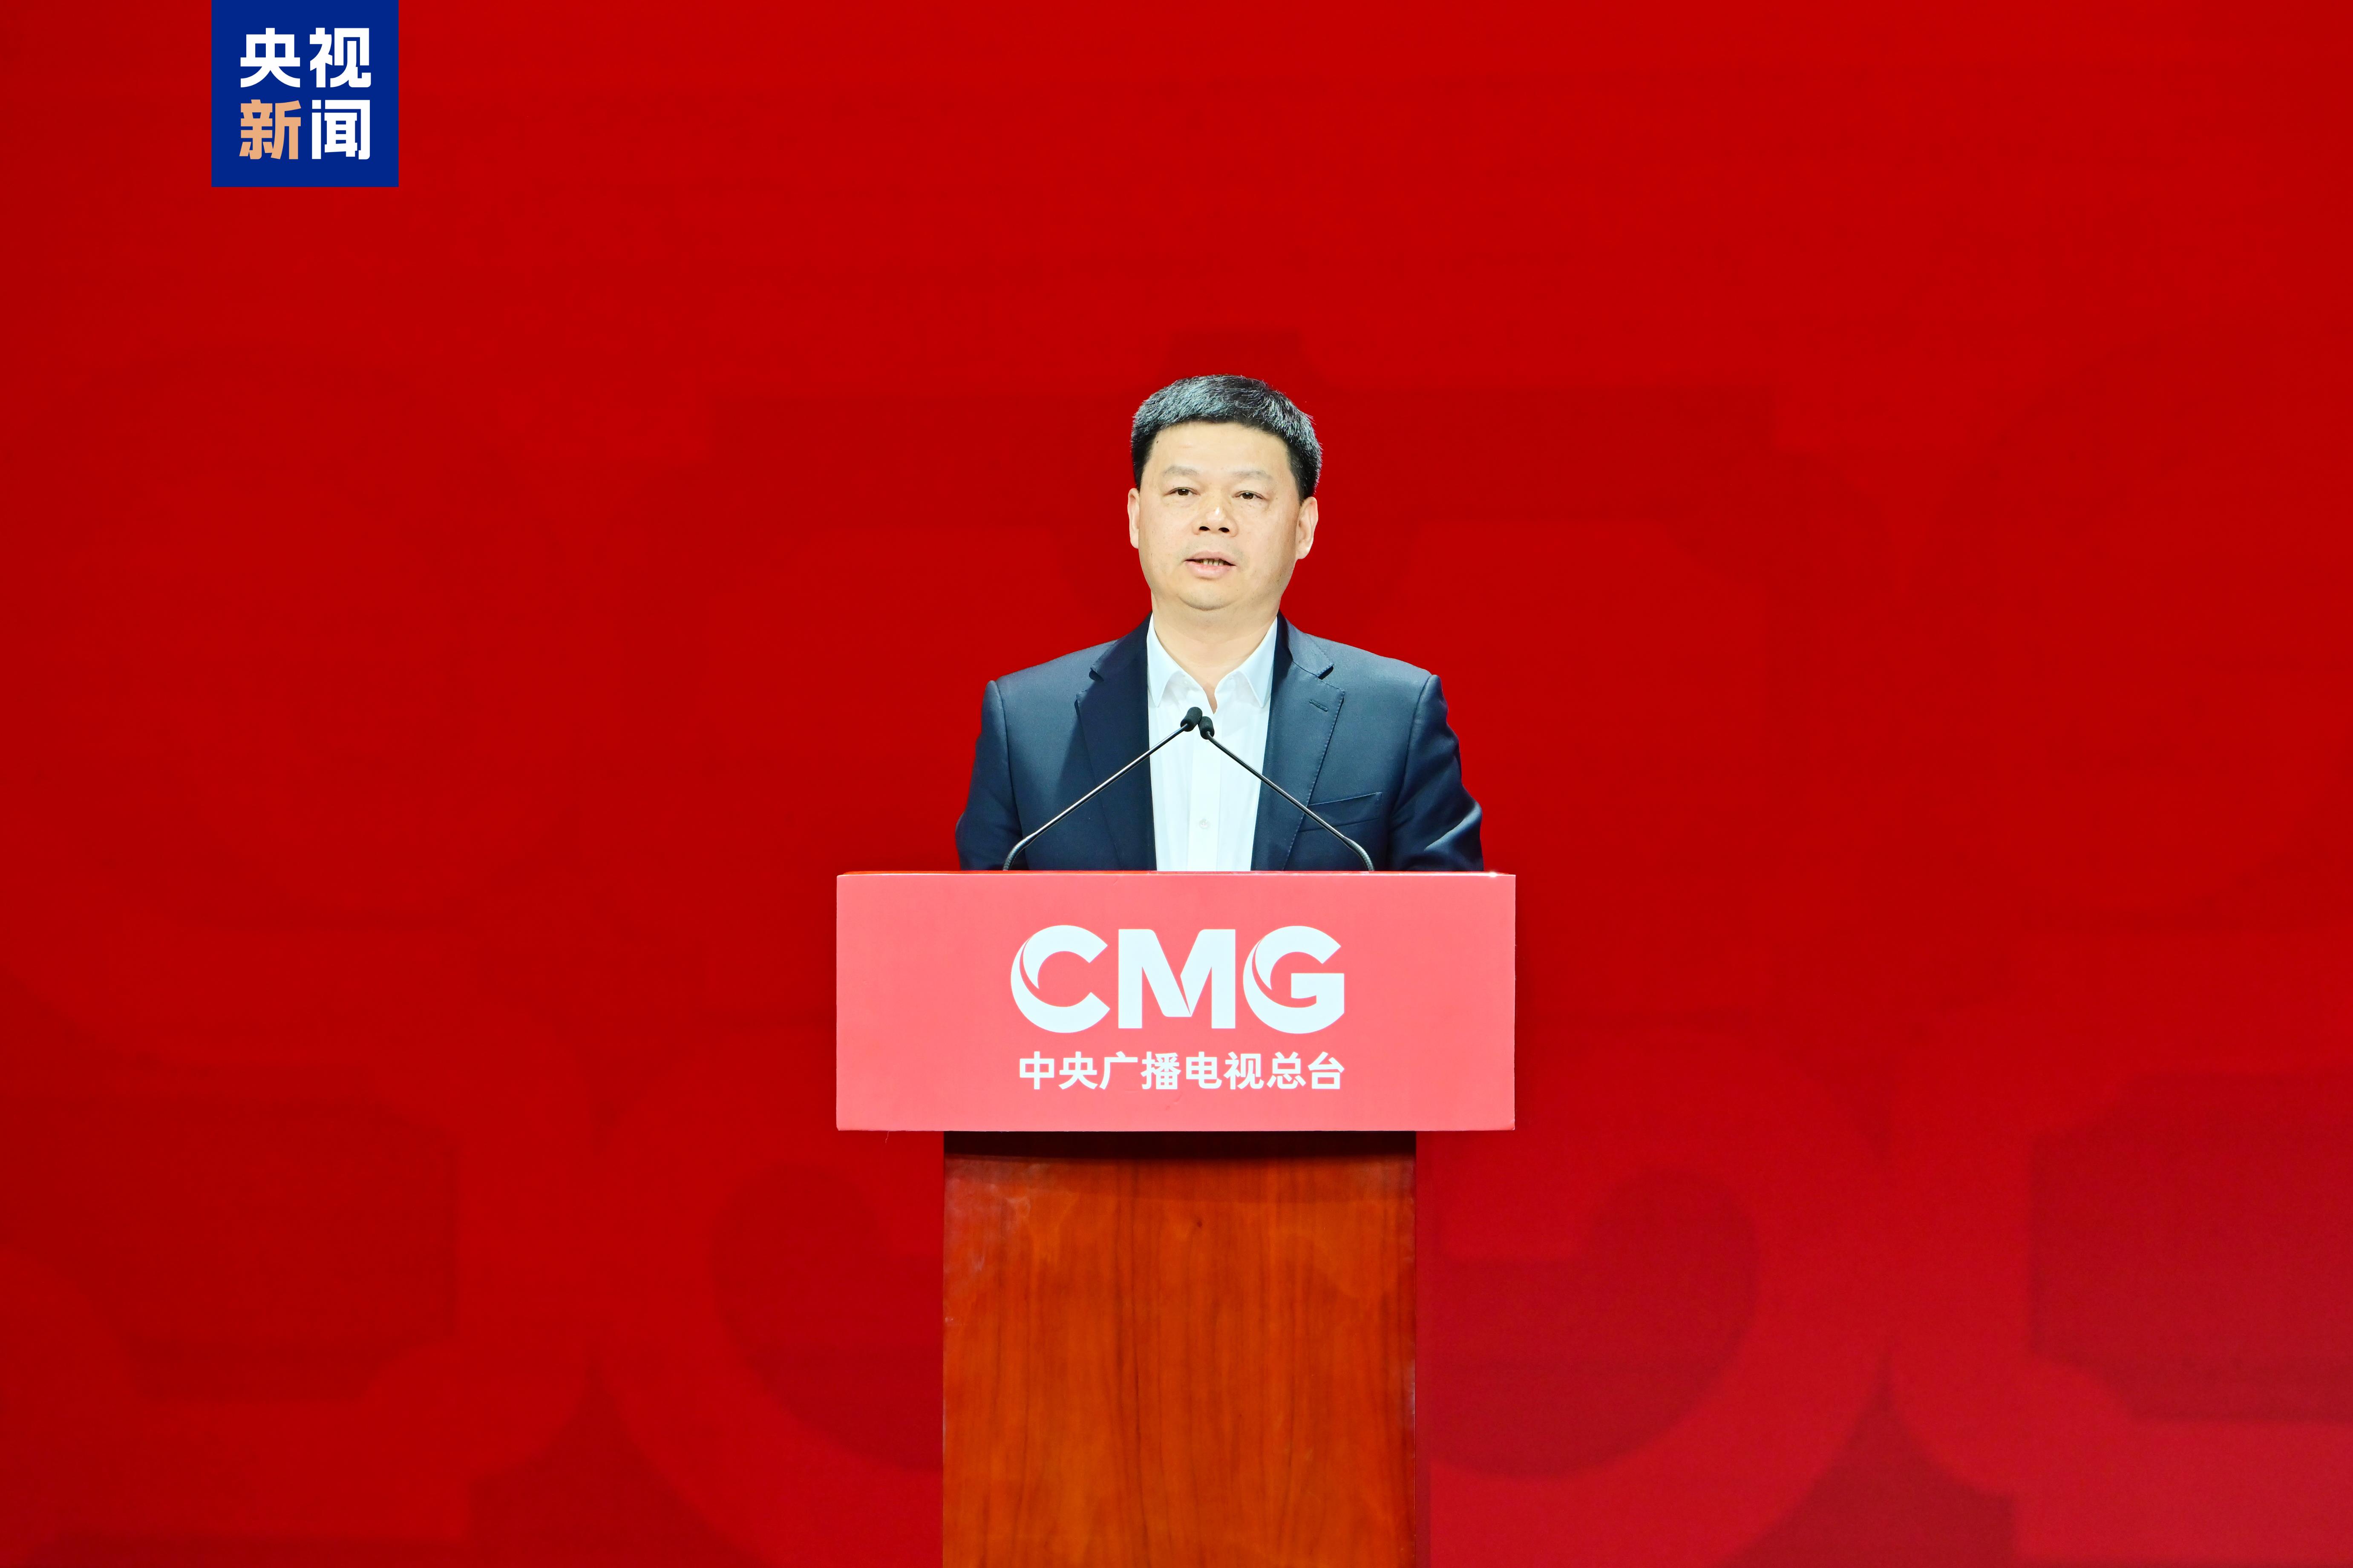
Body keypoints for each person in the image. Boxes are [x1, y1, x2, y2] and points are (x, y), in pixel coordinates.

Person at [955, 374, 1482, 872]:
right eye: (1183, 492)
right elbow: (981, 924)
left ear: (1304, 528)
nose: (1214, 519)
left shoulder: (1394, 717)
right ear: (1136, 518)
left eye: (1248, 495)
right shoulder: (1028, 723)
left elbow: (1448, 926)